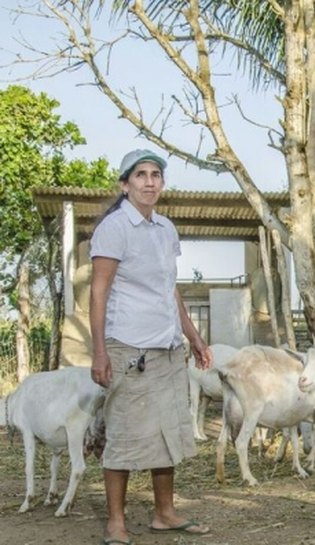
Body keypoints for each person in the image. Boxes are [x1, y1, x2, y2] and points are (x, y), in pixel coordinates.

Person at [90, 149, 214, 545]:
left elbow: (169, 289)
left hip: (166, 347)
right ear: (125, 184)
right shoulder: (114, 228)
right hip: (128, 348)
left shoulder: (165, 228)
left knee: (167, 433)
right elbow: (99, 291)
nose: (149, 181)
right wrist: (99, 351)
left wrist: (193, 336)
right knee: (124, 434)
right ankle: (116, 521)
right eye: (141, 174)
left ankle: (164, 513)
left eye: (156, 174)